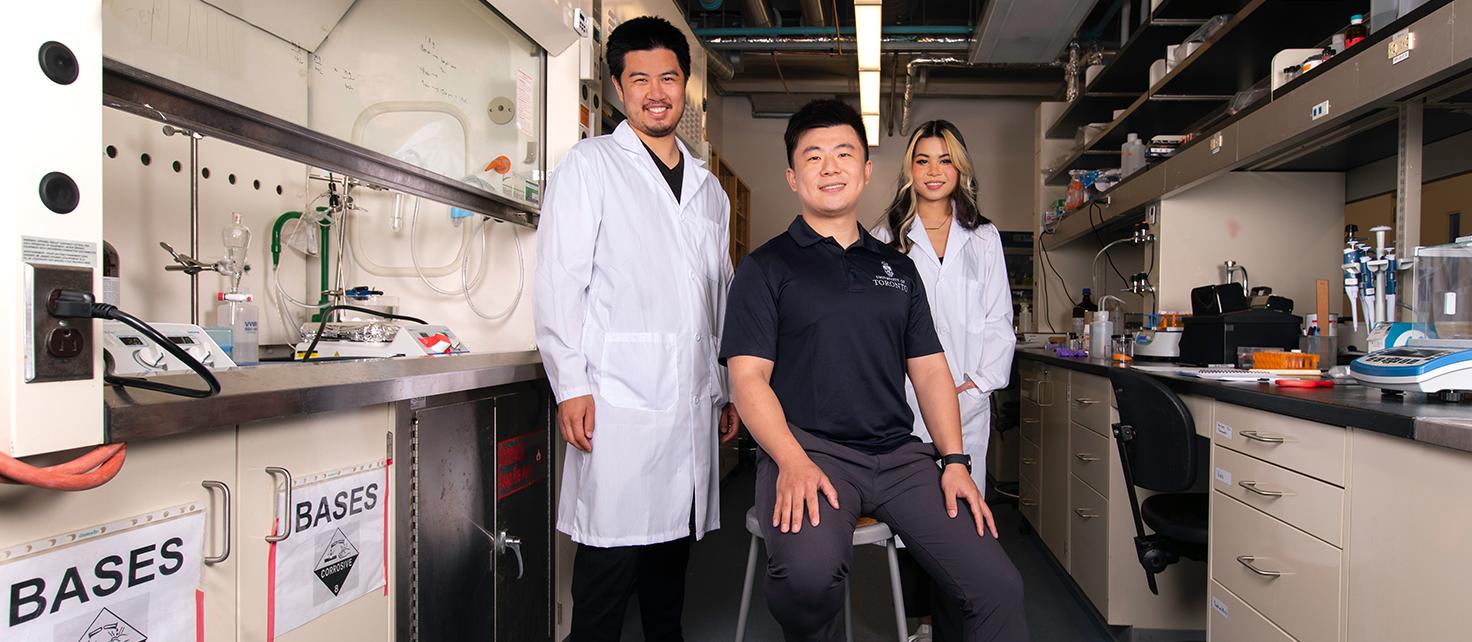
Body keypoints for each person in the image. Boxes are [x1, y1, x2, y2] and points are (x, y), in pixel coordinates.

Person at [720, 99, 1027, 642]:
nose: (830, 166)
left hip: (900, 457)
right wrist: (790, 460)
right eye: (813, 156)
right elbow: (747, 380)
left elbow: (931, 370)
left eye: (844, 153)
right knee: (808, 579)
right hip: (812, 451)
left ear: (866, 170)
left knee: (996, 583)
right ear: (793, 176)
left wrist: (954, 460)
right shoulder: (766, 267)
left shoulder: (896, 267)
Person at [533, 16, 740, 642]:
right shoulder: (590, 166)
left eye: (669, 78)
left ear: (685, 87)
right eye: (640, 78)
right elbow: (558, 283)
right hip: (616, 400)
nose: (657, 91)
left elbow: (719, 295)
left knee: (670, 562)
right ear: (620, 90)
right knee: (607, 567)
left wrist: (727, 385)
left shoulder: (710, 192)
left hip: (690, 402)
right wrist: (570, 384)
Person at [871, 120, 1016, 642]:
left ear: (961, 169)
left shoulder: (984, 238)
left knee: (959, 522)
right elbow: (875, 328)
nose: (934, 172)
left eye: (945, 160)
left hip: (968, 401)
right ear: (909, 170)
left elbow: (1000, 322)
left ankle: (952, 627)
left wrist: (975, 385)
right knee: (913, 524)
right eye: (923, 160)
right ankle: (923, 627)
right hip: (902, 404)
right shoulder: (884, 239)